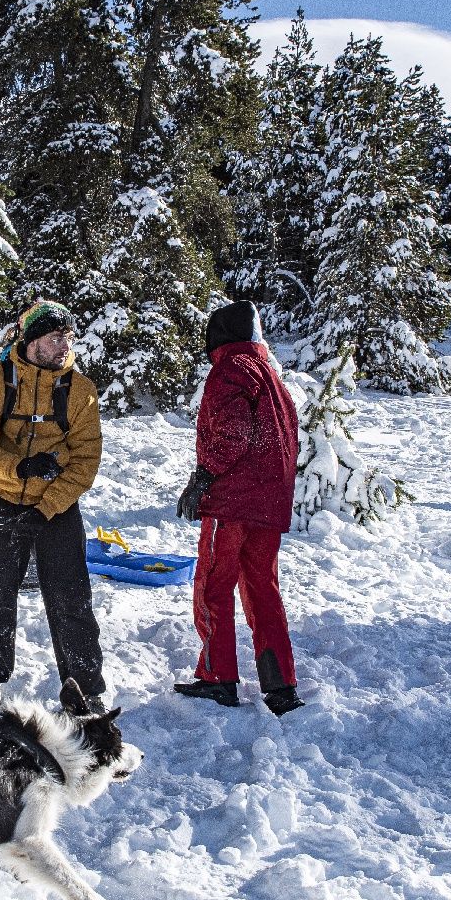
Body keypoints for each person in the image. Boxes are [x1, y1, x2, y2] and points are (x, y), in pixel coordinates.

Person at [0, 300, 105, 712]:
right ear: (32, 341)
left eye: (69, 338)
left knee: (70, 596)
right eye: (55, 337)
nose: (64, 346)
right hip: (0, 499)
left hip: (56, 508)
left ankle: (85, 690)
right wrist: (18, 467)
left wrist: (45, 508)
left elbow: (85, 463)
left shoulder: (80, 391)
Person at [172, 301, 305, 716]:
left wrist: (203, 478)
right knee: (262, 589)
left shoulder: (230, 370)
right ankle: (279, 684)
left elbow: (231, 432)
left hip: (232, 504)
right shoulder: (271, 377)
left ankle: (218, 678)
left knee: (213, 585)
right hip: (268, 506)